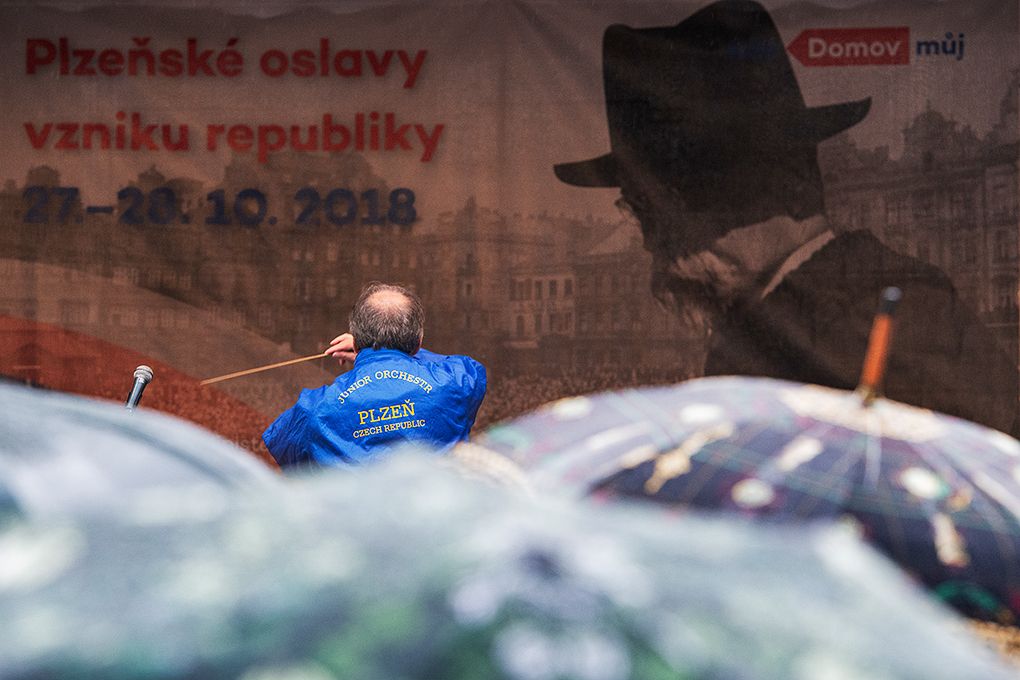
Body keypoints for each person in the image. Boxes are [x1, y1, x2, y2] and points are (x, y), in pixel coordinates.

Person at [554, 0, 1020, 434]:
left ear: (744, 189)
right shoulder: (800, 314)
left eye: (651, 206)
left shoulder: (873, 322)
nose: (650, 242)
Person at [263, 282, 487, 468]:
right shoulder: (455, 383)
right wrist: (393, 350)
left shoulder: (314, 408)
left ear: (357, 338)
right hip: (438, 521)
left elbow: (284, 451)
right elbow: (471, 368)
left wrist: (370, 350)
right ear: (418, 341)